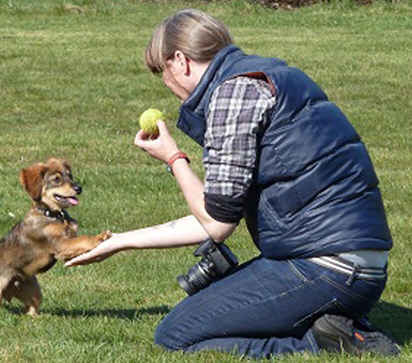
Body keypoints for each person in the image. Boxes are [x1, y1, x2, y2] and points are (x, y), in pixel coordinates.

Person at [66, 9, 400, 358]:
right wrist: (119, 242)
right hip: (361, 268)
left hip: (325, 268)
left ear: (179, 60)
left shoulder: (233, 95)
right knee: (211, 307)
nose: (165, 82)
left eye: (161, 70)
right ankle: (330, 323)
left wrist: (173, 159)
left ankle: (324, 341)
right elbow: (214, 217)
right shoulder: (271, 75)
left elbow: (216, 223)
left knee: (176, 333)